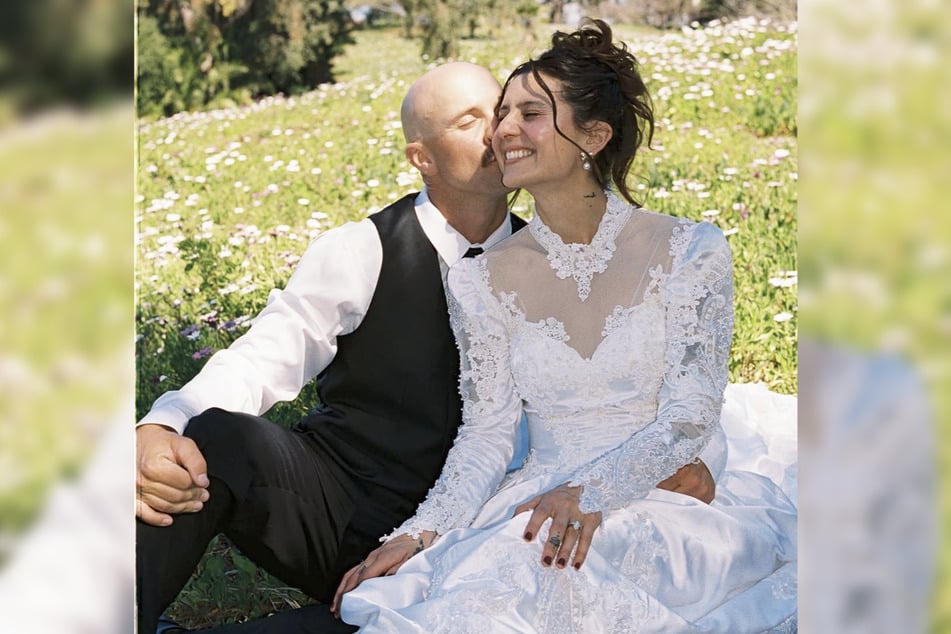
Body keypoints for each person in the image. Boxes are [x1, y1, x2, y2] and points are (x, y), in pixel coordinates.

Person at [135, 60, 717, 634]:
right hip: (346, 511)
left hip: (482, 526)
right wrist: (165, 422)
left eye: (502, 112)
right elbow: (267, 353)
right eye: (471, 121)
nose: (499, 131)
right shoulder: (363, 249)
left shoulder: (553, 256)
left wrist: (686, 466)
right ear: (422, 157)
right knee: (213, 438)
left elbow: (644, 384)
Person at [337, 20, 797, 632]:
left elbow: (689, 414)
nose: (503, 131)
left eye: (530, 113)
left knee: (559, 564)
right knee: (515, 566)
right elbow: (488, 432)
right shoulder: (479, 281)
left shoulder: (690, 251)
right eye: (501, 114)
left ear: (594, 135)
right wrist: (420, 532)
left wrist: (592, 494)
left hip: (656, 494)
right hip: (537, 496)